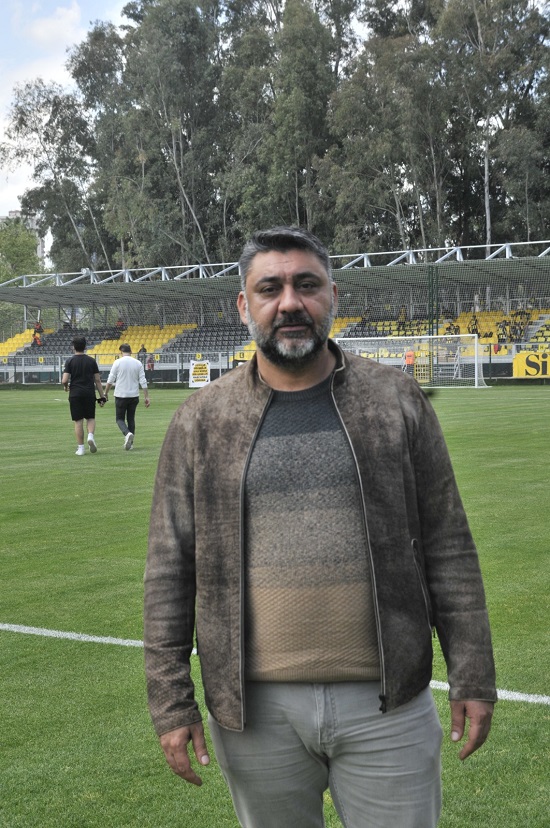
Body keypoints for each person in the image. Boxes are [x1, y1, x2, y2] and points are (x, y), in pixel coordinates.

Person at [144, 226, 496, 828]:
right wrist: (171, 703)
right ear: (244, 305)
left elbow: (448, 544)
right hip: (255, 715)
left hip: (389, 707)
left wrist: (474, 672)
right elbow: (169, 568)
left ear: (333, 295)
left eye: (306, 285)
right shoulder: (202, 419)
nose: (290, 303)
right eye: (270, 289)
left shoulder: (395, 398)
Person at [62, 336, 106, 455]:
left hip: (75, 393)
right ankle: (90, 436)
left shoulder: (70, 361)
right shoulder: (91, 361)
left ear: (73, 347)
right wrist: (102, 396)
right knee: (90, 417)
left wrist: (66, 387)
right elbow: (97, 380)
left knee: (78, 421)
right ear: (85, 347)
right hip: (89, 393)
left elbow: (64, 380)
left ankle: (81, 448)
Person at [104, 343, 150, 450]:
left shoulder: (117, 362)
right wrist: (146, 396)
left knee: (119, 419)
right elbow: (143, 381)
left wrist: (105, 393)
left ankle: (127, 433)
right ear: (131, 351)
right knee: (131, 419)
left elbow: (110, 380)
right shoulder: (137, 363)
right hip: (134, 395)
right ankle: (131, 444)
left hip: (121, 395)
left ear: (121, 352)